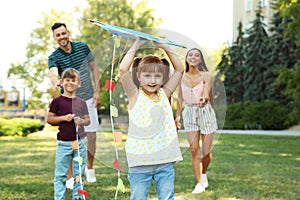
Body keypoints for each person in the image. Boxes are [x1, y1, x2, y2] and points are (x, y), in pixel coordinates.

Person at [119, 38, 184, 200]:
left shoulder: (164, 94)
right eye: (147, 75)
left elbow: (180, 69)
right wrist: (137, 45)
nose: (153, 80)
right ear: (139, 77)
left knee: (167, 197)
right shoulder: (135, 95)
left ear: (163, 78)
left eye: (157, 76)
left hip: (165, 160)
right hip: (140, 162)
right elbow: (122, 69)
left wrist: (166, 48)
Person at [48, 22, 100, 186]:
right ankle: (71, 177)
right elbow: (53, 72)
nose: (62, 37)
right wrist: (56, 81)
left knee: (91, 135)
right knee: (71, 138)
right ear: (55, 38)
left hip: (89, 97)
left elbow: (94, 68)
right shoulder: (54, 56)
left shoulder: (83, 47)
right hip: (71, 100)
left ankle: (89, 168)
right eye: (58, 35)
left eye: (63, 33)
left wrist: (98, 91)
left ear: (68, 33)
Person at [175, 48, 217, 194]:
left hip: (205, 112)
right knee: (194, 151)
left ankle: (203, 173)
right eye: (190, 55)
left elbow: (206, 92)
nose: (193, 57)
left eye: (197, 55)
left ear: (200, 59)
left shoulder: (206, 75)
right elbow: (179, 98)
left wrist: (203, 98)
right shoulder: (182, 77)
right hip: (189, 113)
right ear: (186, 58)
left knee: (206, 152)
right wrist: (178, 116)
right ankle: (199, 183)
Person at [47, 68, 90, 200]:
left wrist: (81, 121)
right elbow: (49, 119)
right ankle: (59, 198)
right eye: (67, 80)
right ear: (61, 82)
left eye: (73, 80)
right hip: (64, 143)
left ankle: (78, 197)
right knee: (60, 174)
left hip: (80, 143)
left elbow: (88, 120)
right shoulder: (57, 101)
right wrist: (63, 118)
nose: (70, 83)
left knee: (79, 173)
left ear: (79, 83)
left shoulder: (82, 102)